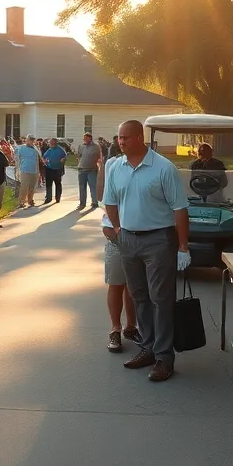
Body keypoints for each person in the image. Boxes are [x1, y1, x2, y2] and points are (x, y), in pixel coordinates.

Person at [101, 120, 191, 382]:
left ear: (140, 137)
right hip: (128, 239)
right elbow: (110, 201)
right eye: (119, 138)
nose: (121, 142)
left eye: (126, 138)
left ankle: (164, 357)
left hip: (159, 240)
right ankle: (148, 348)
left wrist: (182, 246)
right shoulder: (116, 167)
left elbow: (179, 209)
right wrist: (118, 228)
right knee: (139, 295)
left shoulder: (163, 168)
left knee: (160, 298)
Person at [97, 150, 140, 352]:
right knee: (116, 284)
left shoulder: (148, 169)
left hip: (139, 237)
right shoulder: (113, 165)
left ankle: (131, 327)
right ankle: (115, 329)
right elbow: (102, 196)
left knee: (134, 287)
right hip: (116, 237)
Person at [14, 136, 42, 208]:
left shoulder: (36, 148)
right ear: (26, 140)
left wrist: (38, 171)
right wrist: (17, 169)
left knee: (32, 187)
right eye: (29, 140)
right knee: (24, 186)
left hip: (34, 170)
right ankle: (21, 202)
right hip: (25, 169)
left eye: (32, 140)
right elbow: (16, 158)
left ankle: (30, 200)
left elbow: (39, 159)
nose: (31, 142)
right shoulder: (21, 148)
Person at [76, 133, 102, 211]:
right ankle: (82, 203)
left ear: (90, 138)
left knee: (93, 186)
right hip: (82, 170)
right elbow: (79, 156)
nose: (84, 140)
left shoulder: (96, 147)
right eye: (84, 138)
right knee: (82, 187)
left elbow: (100, 156)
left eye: (86, 138)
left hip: (92, 170)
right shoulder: (81, 146)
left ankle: (94, 202)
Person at [43, 137, 67, 205]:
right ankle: (48, 198)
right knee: (48, 184)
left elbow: (65, 156)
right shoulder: (50, 149)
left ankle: (58, 198)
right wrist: (45, 160)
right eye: (49, 143)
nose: (49, 144)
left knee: (58, 183)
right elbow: (44, 156)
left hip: (58, 169)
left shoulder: (60, 149)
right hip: (49, 168)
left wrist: (63, 159)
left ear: (55, 143)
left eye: (50, 143)